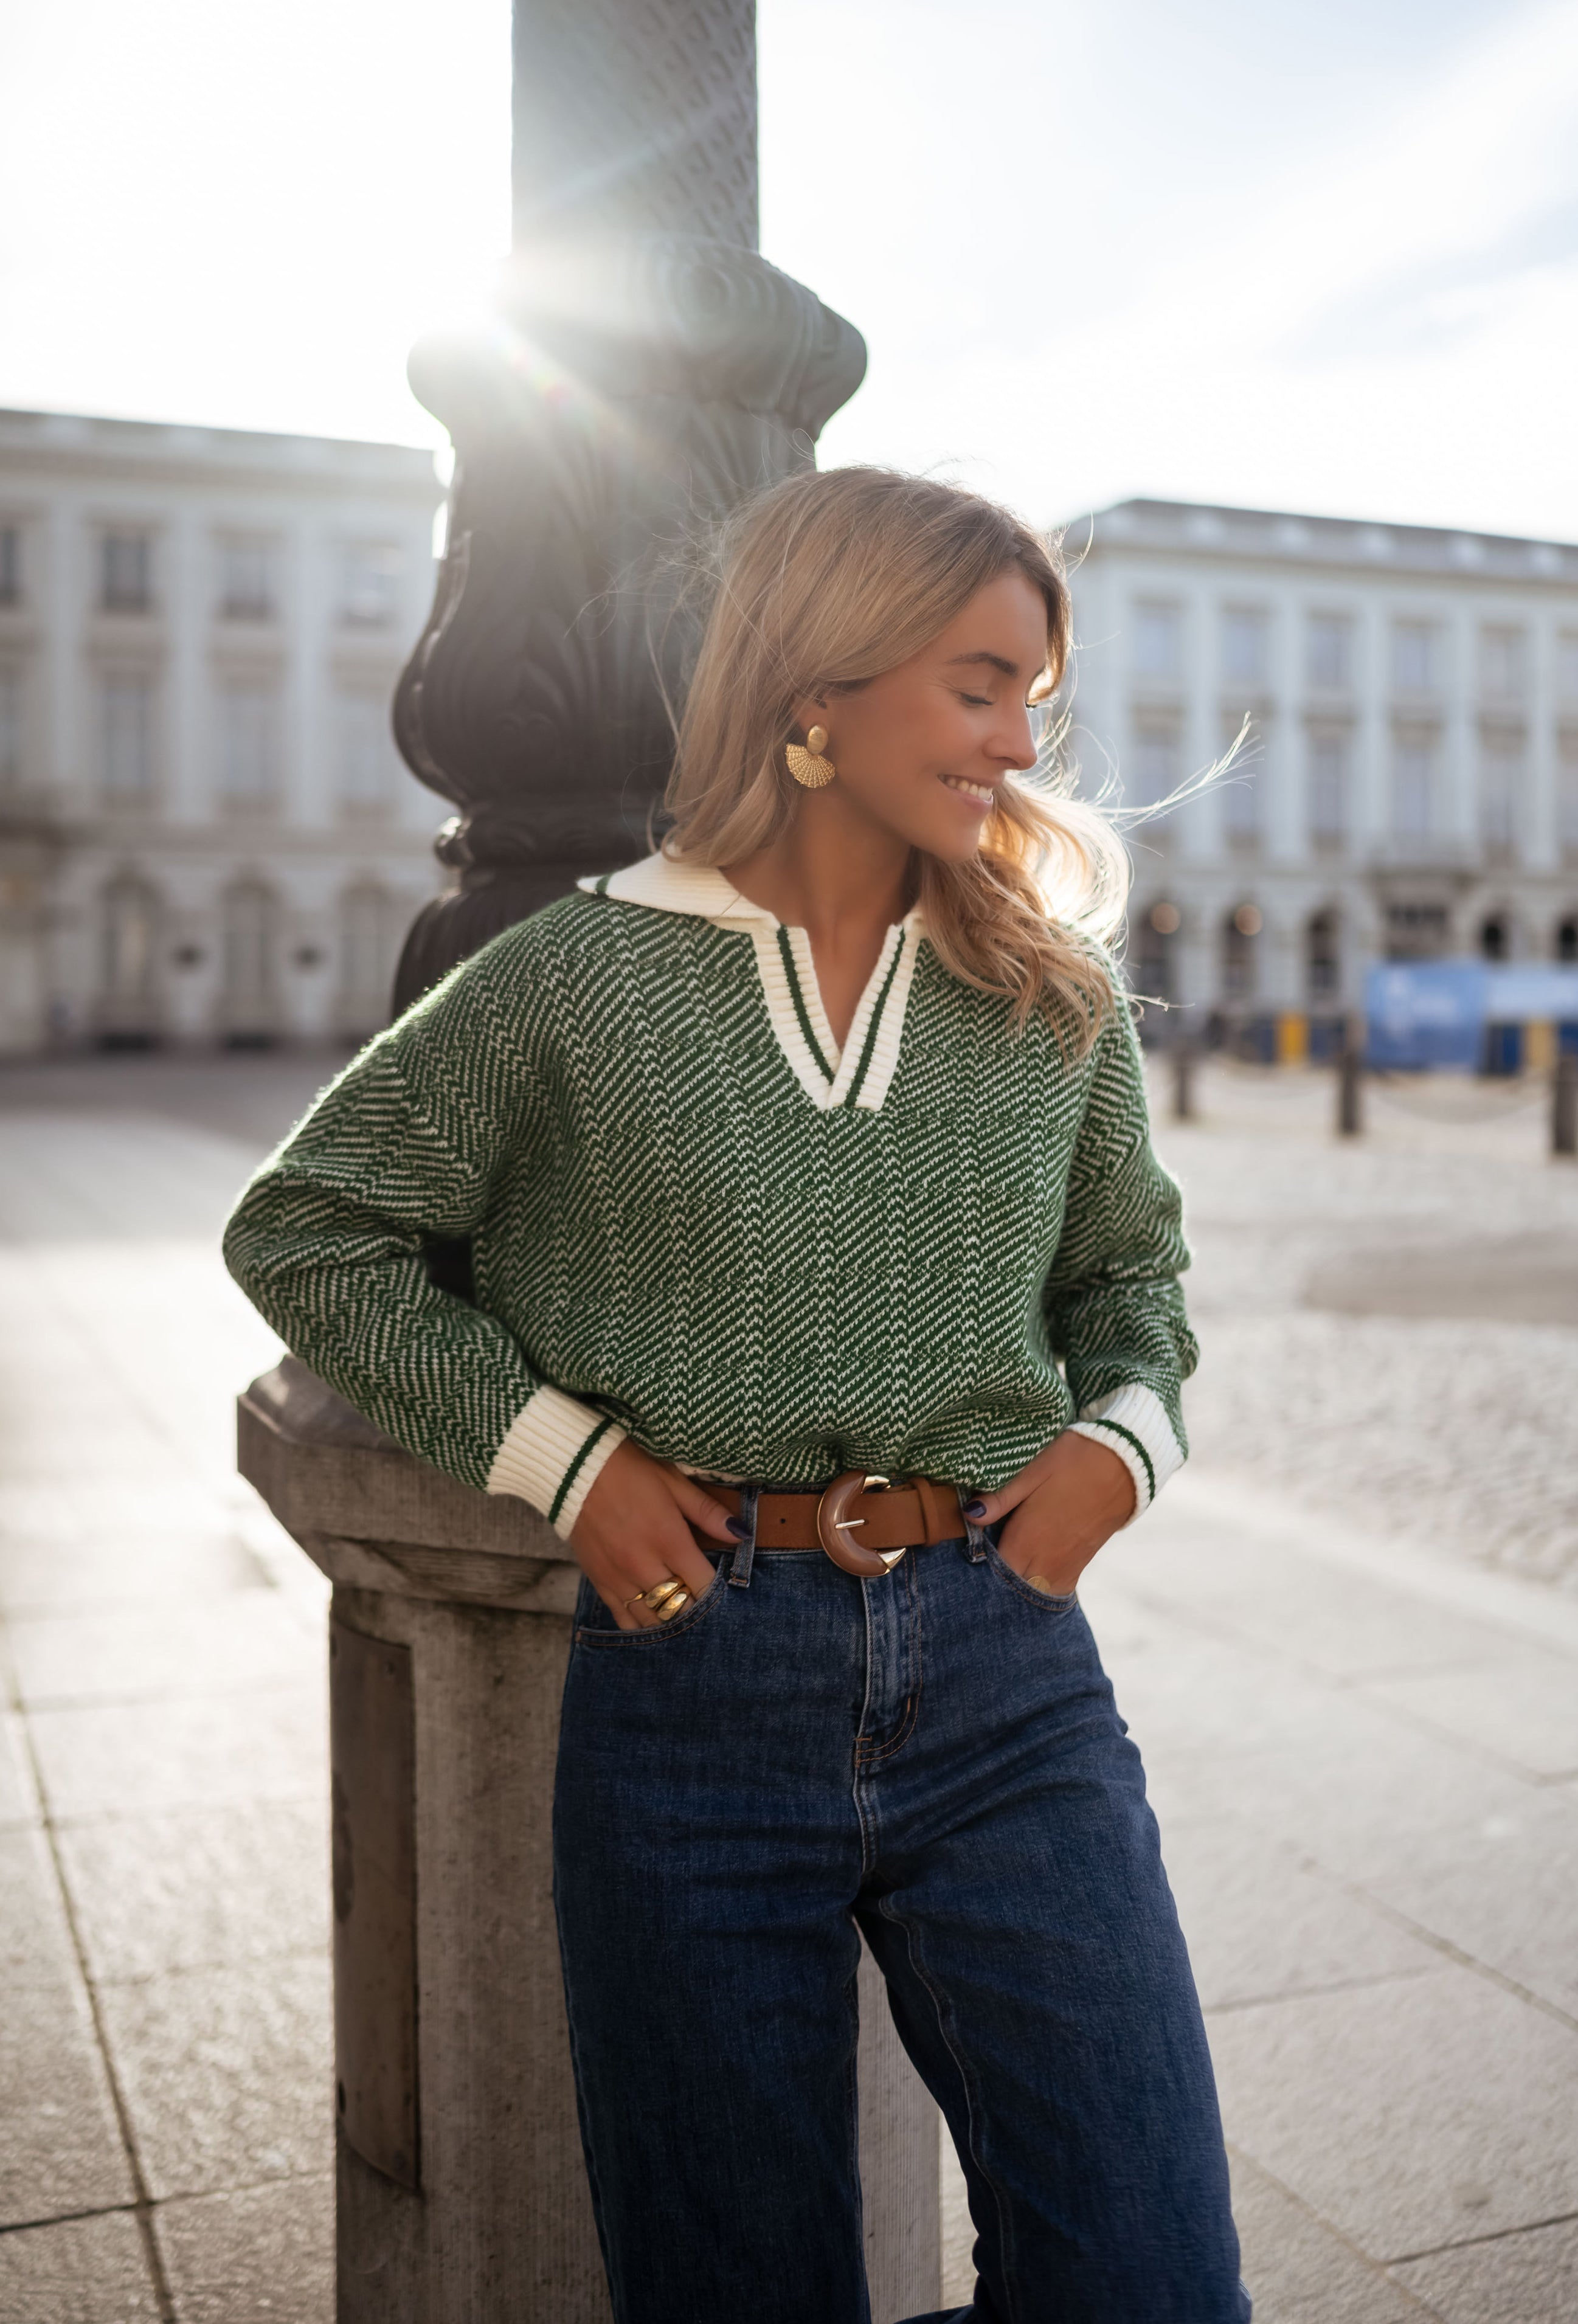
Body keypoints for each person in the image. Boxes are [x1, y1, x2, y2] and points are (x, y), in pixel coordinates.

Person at [224, 466, 1249, 2324]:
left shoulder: (1049, 996)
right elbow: (308, 1233)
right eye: (977, 682)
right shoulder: (570, 981)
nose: (1020, 739)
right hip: (692, 1694)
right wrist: (571, 1468)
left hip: (1011, 1687)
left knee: (1155, 2290)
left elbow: (1133, 1285)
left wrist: (1117, 1450)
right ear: (813, 690)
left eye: (1034, 692)